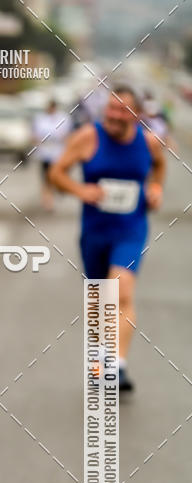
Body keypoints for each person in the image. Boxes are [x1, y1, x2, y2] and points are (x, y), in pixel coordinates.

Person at [49, 85, 165, 392]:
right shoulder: (89, 136)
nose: (113, 115)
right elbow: (57, 173)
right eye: (110, 108)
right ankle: (101, 358)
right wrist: (81, 190)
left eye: (121, 110)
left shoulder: (149, 142)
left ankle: (118, 365)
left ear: (136, 115)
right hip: (95, 231)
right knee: (99, 297)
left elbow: (159, 168)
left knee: (121, 291)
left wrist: (156, 190)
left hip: (131, 228)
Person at [32, 99, 72, 211]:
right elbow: (34, 135)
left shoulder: (63, 118)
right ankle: (48, 200)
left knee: (56, 176)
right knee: (46, 178)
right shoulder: (40, 119)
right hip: (45, 154)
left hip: (59, 154)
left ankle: (58, 190)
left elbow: (67, 135)